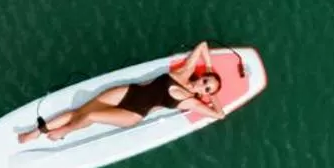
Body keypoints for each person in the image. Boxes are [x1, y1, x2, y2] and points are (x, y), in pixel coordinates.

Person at [20, 42, 226, 143]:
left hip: (134, 114)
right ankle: (37, 132)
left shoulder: (191, 102)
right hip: (127, 92)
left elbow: (219, 114)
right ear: (203, 76)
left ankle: (63, 132)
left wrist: (212, 96)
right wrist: (209, 67)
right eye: (206, 81)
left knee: (91, 116)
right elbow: (203, 46)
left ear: (206, 94)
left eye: (207, 88)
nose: (203, 85)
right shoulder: (184, 72)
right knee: (79, 111)